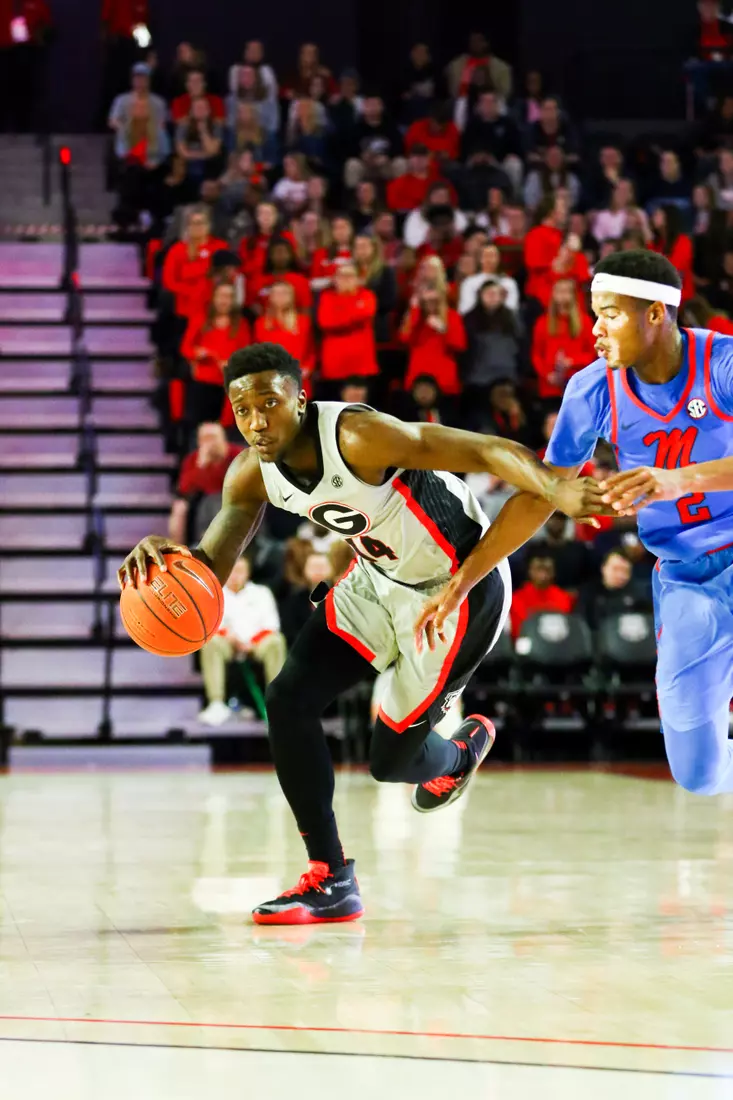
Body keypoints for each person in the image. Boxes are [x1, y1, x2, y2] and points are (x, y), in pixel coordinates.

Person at [119, 343, 605, 922]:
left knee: (390, 764)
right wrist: (169, 565)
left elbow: (483, 448)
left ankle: (454, 756)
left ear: (300, 399)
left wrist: (555, 487)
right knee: (288, 698)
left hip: (456, 589)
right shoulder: (250, 473)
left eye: (269, 404)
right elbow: (209, 571)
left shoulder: (357, 437)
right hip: (376, 580)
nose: (256, 422)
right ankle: (330, 876)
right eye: (242, 411)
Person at [419, 247, 733, 800]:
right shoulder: (592, 388)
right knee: (700, 774)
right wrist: (463, 581)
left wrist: (677, 480)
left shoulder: (723, 363)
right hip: (687, 578)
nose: (595, 329)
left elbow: (674, 478)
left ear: (656, 314)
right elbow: (542, 494)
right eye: (594, 313)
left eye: (610, 313)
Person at [198, 555, 287, 726]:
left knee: (276, 641)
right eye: (231, 570)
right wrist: (231, 639)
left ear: (248, 572)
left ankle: (278, 703)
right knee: (211, 642)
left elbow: (272, 625)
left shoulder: (262, 593)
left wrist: (251, 643)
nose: (235, 575)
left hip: (257, 644)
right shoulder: (215, 594)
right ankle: (216, 703)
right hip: (228, 643)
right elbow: (210, 625)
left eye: (240, 571)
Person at [168, 422, 243, 544]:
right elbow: (184, 489)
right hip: (201, 502)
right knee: (179, 508)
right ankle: (179, 551)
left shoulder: (237, 455)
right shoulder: (193, 459)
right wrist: (201, 467)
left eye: (213, 438)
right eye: (204, 439)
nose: (209, 443)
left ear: (223, 439)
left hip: (232, 500)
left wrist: (217, 464)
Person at [317, 261, 378, 391]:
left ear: (358, 279)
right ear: (334, 279)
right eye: (342, 275)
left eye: (350, 275)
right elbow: (326, 322)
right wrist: (354, 312)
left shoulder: (367, 295)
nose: (346, 279)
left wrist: (339, 315)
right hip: (334, 367)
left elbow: (366, 313)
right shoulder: (326, 297)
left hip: (361, 365)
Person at [531, 278, 596, 400]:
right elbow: (537, 355)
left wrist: (572, 361)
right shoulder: (542, 322)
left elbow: (592, 354)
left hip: (578, 384)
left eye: (567, 291)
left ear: (573, 295)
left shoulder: (585, 321)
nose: (563, 295)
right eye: (559, 291)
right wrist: (547, 375)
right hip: (550, 386)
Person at [577, 548, 651, 629]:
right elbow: (581, 626)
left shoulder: (638, 595)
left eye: (625, 571)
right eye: (615, 569)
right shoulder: (588, 592)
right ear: (603, 568)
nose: (620, 575)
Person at [509, 552, 576, 638]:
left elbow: (565, 630)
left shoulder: (564, 598)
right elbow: (517, 632)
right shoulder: (516, 599)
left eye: (547, 569)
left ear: (553, 572)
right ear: (530, 571)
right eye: (538, 569)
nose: (543, 574)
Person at [459, 242, 520, 313]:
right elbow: (465, 309)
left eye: (493, 256)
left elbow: (512, 309)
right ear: (480, 259)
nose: (490, 259)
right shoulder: (469, 282)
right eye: (486, 255)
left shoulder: (509, 283)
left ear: (498, 259)